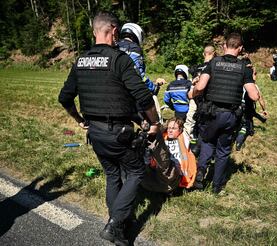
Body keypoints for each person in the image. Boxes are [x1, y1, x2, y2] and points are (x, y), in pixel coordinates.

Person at [58, 11, 160, 246]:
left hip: (95, 133)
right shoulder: (119, 59)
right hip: (118, 134)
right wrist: (154, 123)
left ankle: (119, 227)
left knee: (113, 175)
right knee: (135, 172)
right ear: (114, 30)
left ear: (94, 31)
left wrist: (79, 120)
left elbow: (64, 98)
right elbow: (143, 97)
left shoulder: (80, 60)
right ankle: (114, 225)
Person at [191, 33, 259, 194]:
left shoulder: (213, 63)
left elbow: (200, 87)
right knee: (223, 151)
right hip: (230, 116)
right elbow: (254, 96)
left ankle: (201, 172)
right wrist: (251, 79)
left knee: (207, 142)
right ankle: (216, 186)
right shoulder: (244, 68)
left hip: (211, 113)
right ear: (241, 49)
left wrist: (193, 93)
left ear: (224, 46)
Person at [141, 117, 197, 192]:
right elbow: (156, 131)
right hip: (156, 175)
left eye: (174, 128)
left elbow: (190, 121)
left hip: (173, 176)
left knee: (161, 153)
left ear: (180, 130)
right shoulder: (163, 137)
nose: (170, 130)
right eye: (169, 128)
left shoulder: (184, 139)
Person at [186, 45, 216, 142]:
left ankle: (188, 145)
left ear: (203, 54)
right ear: (214, 53)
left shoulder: (196, 68)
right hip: (209, 99)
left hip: (195, 97)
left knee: (190, 123)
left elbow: (193, 84)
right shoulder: (215, 66)